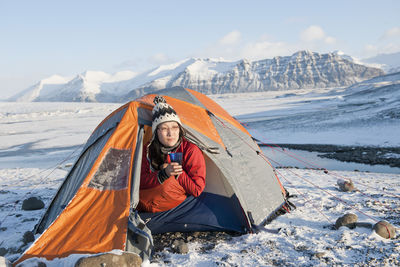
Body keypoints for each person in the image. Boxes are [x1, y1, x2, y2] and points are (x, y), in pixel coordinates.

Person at [137, 96, 206, 213]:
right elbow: (139, 181)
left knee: (166, 184)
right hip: (144, 201)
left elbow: (197, 190)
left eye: (174, 127)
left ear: (180, 129)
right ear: (156, 132)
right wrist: (162, 174)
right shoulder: (148, 149)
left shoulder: (190, 150)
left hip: (169, 202)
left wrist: (177, 172)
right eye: (164, 128)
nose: (170, 133)